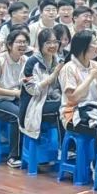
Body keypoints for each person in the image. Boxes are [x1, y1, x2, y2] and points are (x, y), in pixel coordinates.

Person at [12, 28, 64, 168]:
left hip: (49, 102)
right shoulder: (31, 62)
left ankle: (66, 148)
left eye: (55, 42)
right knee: (62, 109)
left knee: (70, 106)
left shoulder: (57, 60)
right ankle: (63, 148)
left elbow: (57, 89)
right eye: (48, 42)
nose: (53, 46)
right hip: (32, 106)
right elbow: (32, 90)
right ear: (41, 44)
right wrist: (51, 78)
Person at [59, 30, 97, 138]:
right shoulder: (69, 68)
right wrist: (91, 77)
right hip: (73, 112)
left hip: (94, 108)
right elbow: (73, 97)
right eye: (94, 43)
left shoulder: (96, 65)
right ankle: (91, 155)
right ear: (83, 47)